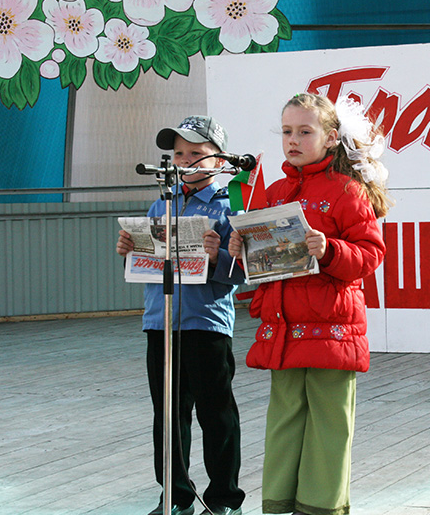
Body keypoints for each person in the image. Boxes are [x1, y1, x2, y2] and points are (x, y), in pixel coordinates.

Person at [228, 93, 392, 515]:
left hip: (332, 331)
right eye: (287, 131)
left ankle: (320, 507)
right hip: (284, 329)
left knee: (329, 424)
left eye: (305, 131)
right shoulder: (275, 192)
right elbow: (264, 262)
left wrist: (330, 249)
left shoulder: (348, 191)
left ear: (331, 138)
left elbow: (371, 254)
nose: (293, 140)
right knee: (283, 420)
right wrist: (241, 250)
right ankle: (278, 503)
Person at [116, 116, 245, 515]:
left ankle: (224, 498)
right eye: (178, 153)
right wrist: (129, 251)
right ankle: (174, 496)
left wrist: (217, 256)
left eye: (196, 153)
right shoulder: (162, 202)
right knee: (168, 416)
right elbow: (148, 264)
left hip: (206, 324)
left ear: (220, 160)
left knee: (216, 413)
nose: (185, 160)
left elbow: (242, 274)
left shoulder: (230, 205)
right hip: (160, 322)